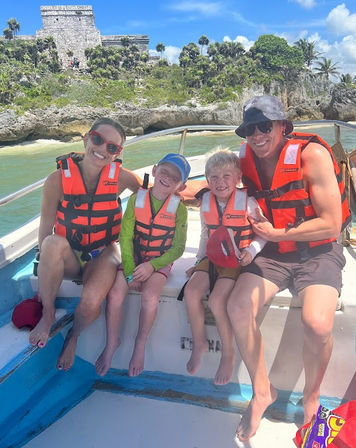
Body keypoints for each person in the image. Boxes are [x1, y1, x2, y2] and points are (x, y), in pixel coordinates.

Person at [227, 95, 351, 441]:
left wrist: (278, 232)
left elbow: (332, 224)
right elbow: (220, 184)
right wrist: (171, 186)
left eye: (265, 126)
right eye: (250, 129)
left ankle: (311, 397)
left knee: (317, 324)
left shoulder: (312, 155)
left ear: (282, 126)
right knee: (237, 306)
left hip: (317, 252)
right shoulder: (245, 157)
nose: (257, 135)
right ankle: (262, 390)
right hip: (273, 251)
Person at [29, 117, 141, 371]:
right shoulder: (56, 180)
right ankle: (47, 314)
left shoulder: (123, 179)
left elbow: (154, 199)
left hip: (104, 253)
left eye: (112, 147)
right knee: (51, 243)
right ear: (86, 138)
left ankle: (73, 337)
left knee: (91, 300)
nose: (102, 150)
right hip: (70, 254)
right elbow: (46, 227)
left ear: (117, 154)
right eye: (98, 140)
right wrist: (45, 264)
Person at [95, 153, 190, 377]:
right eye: (164, 171)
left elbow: (178, 248)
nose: (167, 178)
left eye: (175, 178)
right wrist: (129, 270)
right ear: (155, 170)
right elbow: (125, 237)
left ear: (181, 186)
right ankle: (112, 342)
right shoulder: (136, 199)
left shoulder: (180, 209)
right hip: (133, 258)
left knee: (149, 297)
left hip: (160, 261)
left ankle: (140, 344)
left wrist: (152, 266)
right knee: (115, 294)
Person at [184, 148, 267, 386]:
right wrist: (198, 261)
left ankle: (228, 354)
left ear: (238, 178)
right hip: (212, 258)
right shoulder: (206, 201)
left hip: (234, 259)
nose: (220, 182)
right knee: (191, 292)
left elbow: (263, 235)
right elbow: (204, 235)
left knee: (216, 300)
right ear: (207, 180)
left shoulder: (248, 203)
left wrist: (250, 252)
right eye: (214, 178)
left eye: (226, 176)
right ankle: (199, 341)